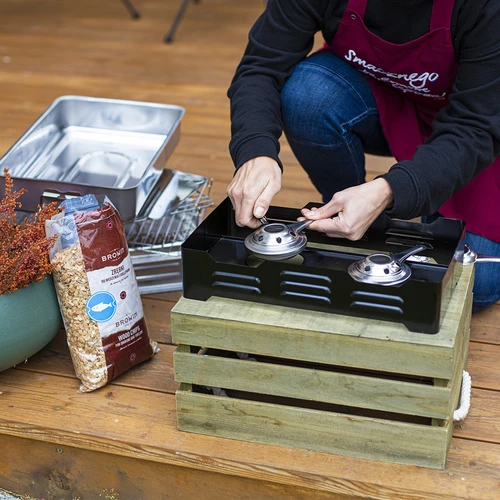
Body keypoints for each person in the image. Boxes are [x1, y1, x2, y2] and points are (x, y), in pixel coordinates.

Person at [226, 0, 500, 311]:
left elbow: (476, 127)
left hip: (478, 124)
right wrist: (255, 151)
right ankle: (345, 217)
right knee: (309, 95)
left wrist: (390, 190)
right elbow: (262, 66)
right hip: (385, 98)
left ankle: (369, 206)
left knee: (474, 285)